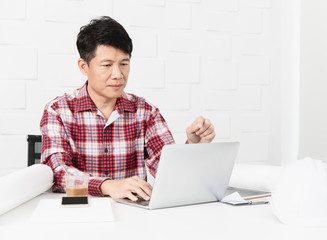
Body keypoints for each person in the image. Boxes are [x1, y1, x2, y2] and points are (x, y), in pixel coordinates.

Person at [40, 16, 215, 201]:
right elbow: (56, 172)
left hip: (134, 217)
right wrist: (108, 185)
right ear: (84, 66)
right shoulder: (58, 110)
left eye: (124, 64)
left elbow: (171, 174)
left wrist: (194, 146)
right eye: (107, 65)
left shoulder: (145, 112)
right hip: (82, 213)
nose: (117, 75)